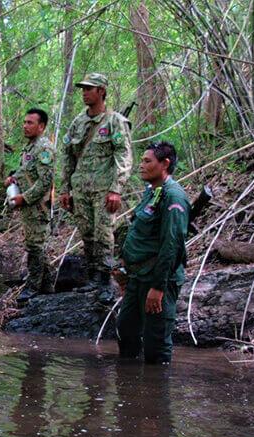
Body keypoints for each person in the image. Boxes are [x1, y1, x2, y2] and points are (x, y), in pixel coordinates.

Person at [114, 142, 190, 364]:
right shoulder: (152, 192)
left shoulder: (174, 197)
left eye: (147, 161)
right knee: (126, 331)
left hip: (157, 280)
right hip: (137, 278)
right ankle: (129, 390)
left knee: (155, 344)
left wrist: (158, 287)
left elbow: (172, 245)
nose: (141, 166)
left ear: (164, 164)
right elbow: (138, 233)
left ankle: (156, 393)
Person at [59, 73, 133, 289]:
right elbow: (67, 156)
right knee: (87, 234)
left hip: (104, 190)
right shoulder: (78, 123)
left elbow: (124, 156)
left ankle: (104, 281)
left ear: (101, 91)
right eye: (83, 89)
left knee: (104, 234)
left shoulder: (115, 121)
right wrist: (65, 189)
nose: (84, 93)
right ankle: (92, 278)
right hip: (81, 189)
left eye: (89, 89)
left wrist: (116, 189)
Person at [3, 108, 55, 303]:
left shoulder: (44, 149)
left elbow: (45, 181)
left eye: (30, 123)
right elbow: (26, 170)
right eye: (24, 122)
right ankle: (47, 285)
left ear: (41, 126)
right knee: (34, 244)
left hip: (37, 207)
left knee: (36, 246)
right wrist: (13, 178)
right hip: (28, 207)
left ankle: (34, 287)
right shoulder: (30, 147)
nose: (25, 126)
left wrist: (24, 198)